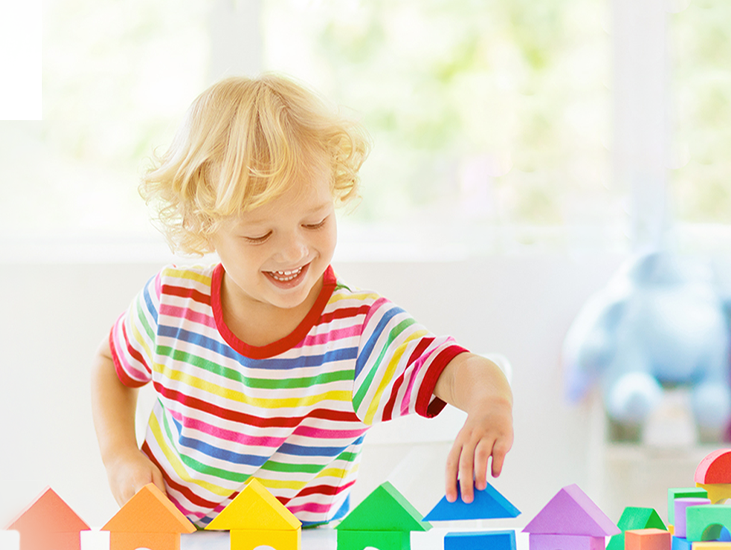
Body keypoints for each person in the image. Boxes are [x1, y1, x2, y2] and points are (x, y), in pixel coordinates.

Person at [90, 73, 514, 526]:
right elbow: (110, 366)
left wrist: (492, 404)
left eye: (315, 221)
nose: (294, 251)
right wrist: (119, 456)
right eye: (259, 233)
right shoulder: (171, 303)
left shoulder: (358, 334)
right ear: (203, 224)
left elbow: (458, 370)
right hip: (173, 536)